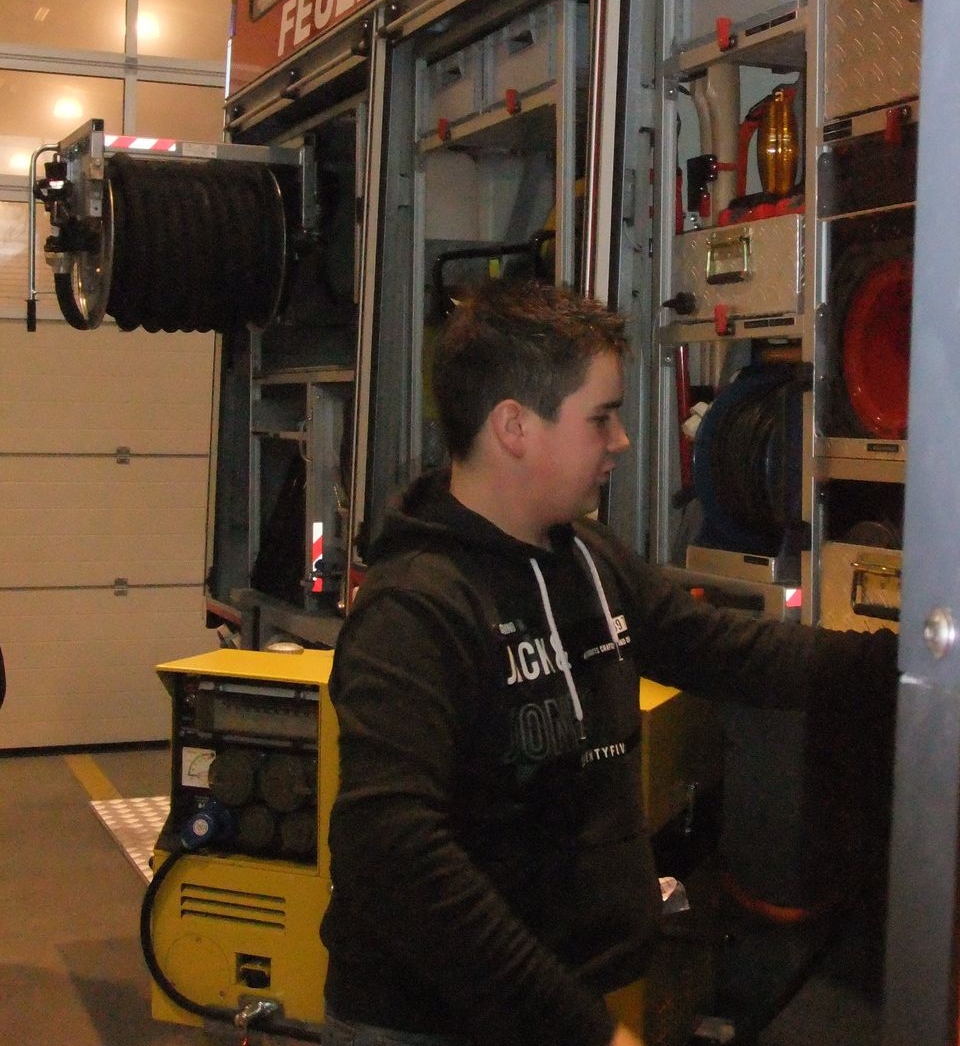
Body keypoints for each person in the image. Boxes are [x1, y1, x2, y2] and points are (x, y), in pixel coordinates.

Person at [320, 279, 896, 1046]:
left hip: (556, 1003)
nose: (621, 441)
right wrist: (582, 1032)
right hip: (433, 1024)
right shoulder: (416, 610)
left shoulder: (585, 557)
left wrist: (910, 669)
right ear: (514, 427)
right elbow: (394, 854)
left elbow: (724, 649)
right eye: (601, 417)